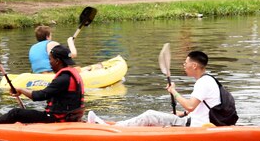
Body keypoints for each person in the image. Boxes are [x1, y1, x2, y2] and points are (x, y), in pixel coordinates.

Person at [86, 51, 222, 128]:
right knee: (155, 117)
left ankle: (111, 128)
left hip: (196, 126)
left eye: (185, 63)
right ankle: (118, 125)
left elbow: (191, 106)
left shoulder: (204, 82)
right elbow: (198, 108)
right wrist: (183, 113)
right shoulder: (207, 80)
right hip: (195, 121)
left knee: (150, 115)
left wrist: (174, 92)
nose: (184, 66)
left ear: (194, 66)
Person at [0, 44, 83, 124]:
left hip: (56, 119)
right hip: (68, 117)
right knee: (26, 114)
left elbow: (39, 95)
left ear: (58, 61)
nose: (49, 62)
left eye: (50, 59)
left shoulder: (63, 79)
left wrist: (21, 90)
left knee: (15, 113)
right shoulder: (71, 74)